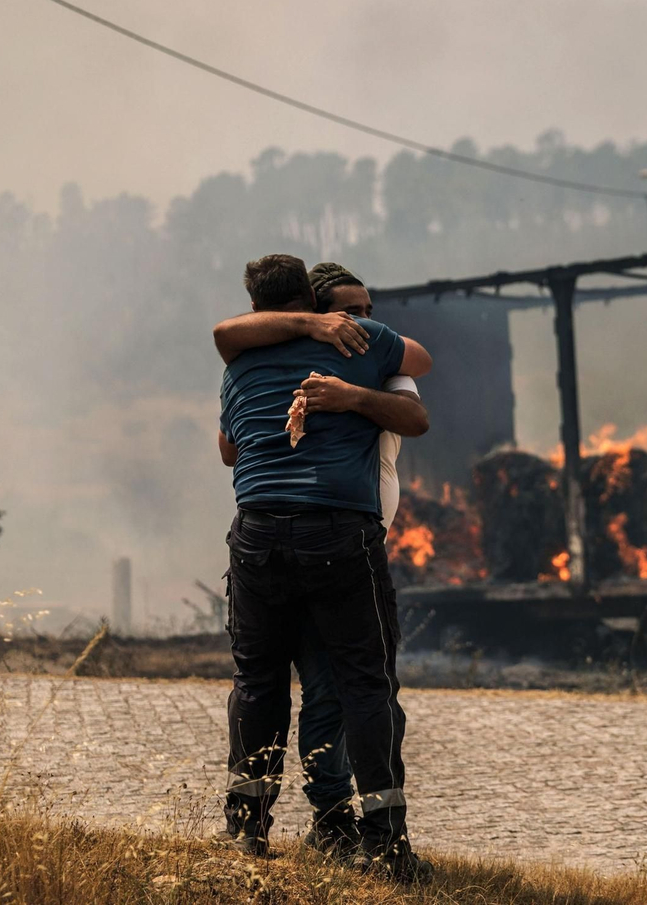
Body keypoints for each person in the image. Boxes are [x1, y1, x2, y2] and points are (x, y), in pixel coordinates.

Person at [214, 253, 430, 880]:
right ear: (313, 307)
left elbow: (229, 449)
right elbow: (421, 370)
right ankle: (386, 845)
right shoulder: (368, 346)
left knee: (258, 685)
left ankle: (247, 832)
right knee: (365, 685)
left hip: (257, 534)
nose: (360, 318)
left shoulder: (240, 365)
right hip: (338, 531)